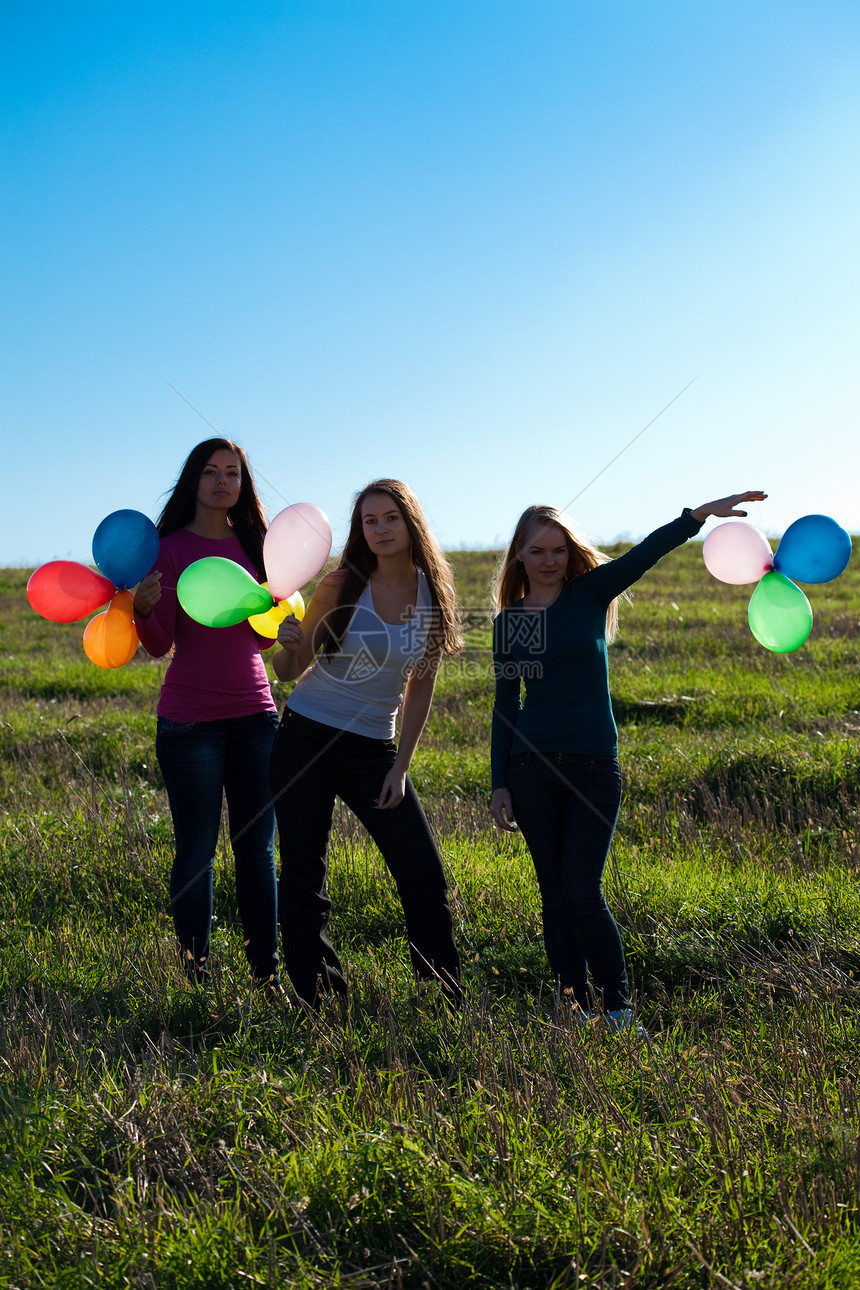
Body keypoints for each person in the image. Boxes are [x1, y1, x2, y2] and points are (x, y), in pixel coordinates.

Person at [490, 491, 767, 1031]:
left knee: (581, 887)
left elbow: (646, 553)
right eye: (538, 551)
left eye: (559, 549)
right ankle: (574, 1006)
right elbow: (506, 708)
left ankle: (617, 1009)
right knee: (553, 893)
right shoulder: (512, 623)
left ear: (571, 554)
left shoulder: (591, 592)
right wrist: (499, 782)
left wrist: (696, 518)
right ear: (519, 556)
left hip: (594, 765)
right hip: (531, 768)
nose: (550, 560)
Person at [269, 479, 463, 1011]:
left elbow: (420, 685)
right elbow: (290, 671)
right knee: (306, 875)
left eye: (390, 518)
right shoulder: (341, 585)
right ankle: (321, 1000)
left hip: (375, 746)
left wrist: (401, 766)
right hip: (306, 735)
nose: (379, 529)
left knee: (423, 873)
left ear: (410, 523)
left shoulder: (431, 592)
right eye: (369, 521)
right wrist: (285, 646)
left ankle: (442, 993)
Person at [133, 438, 280, 989]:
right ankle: (198, 976)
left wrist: (280, 621)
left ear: (243, 484)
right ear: (193, 480)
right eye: (212, 472)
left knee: (257, 850)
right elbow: (158, 643)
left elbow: (260, 643)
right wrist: (144, 610)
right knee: (196, 850)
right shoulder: (168, 550)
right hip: (189, 722)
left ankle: (265, 975)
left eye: (233, 473)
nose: (223, 481)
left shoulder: (257, 547)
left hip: (256, 717)